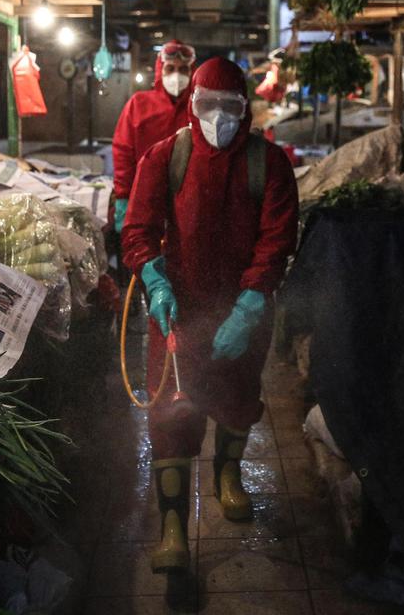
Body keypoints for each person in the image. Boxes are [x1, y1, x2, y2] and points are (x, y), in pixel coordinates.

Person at [121, 57, 299, 573]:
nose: (217, 117)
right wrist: (153, 279)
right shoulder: (166, 156)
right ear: (191, 105)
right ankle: (173, 526)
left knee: (238, 396)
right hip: (177, 312)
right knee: (171, 416)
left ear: (246, 110)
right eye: (206, 105)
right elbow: (137, 228)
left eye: (229, 107)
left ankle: (229, 475)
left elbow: (278, 238)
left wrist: (252, 300)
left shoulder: (270, 163)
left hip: (244, 310)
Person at [110, 39, 196, 233]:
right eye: (170, 68)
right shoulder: (139, 104)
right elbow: (123, 151)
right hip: (143, 197)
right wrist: (123, 198)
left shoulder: (199, 108)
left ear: (192, 73)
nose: (177, 75)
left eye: (183, 69)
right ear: (160, 70)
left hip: (189, 201)